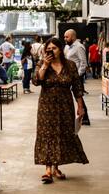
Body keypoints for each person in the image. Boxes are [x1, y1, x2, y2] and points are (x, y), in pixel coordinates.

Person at [33, 37, 88, 184]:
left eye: (54, 48)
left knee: (61, 135)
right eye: (48, 49)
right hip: (47, 107)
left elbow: (77, 87)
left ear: (60, 49)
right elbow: (36, 81)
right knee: (47, 135)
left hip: (65, 107)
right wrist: (45, 65)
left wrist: (80, 107)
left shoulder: (70, 65)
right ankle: (47, 169)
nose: (51, 51)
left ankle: (56, 167)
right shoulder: (42, 63)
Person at [64, 29, 90, 125]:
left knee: (78, 97)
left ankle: (85, 117)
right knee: (74, 97)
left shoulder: (79, 47)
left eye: (67, 37)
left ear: (73, 37)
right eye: (64, 37)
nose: (65, 39)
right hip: (67, 76)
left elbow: (83, 63)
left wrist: (77, 76)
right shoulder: (67, 47)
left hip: (76, 77)